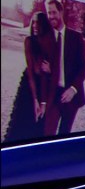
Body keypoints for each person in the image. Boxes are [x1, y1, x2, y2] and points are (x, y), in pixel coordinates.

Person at [3, 11, 59, 142]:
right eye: (33, 22)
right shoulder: (29, 41)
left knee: (39, 124)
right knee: (22, 121)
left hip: (44, 86)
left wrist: (43, 101)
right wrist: (35, 99)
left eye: (37, 23)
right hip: (29, 85)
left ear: (43, 24)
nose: (34, 26)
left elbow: (53, 70)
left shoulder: (50, 42)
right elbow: (31, 71)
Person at [46, 0, 85, 135]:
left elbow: (83, 68)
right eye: (49, 13)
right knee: (48, 132)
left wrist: (73, 89)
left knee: (64, 133)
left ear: (61, 12)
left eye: (53, 12)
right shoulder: (46, 38)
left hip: (71, 95)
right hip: (53, 93)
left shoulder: (76, 38)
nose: (51, 16)